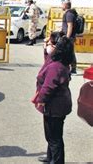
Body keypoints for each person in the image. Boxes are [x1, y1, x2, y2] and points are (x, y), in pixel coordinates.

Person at [33, 32, 74, 164]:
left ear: (58, 48)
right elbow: (48, 60)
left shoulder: (56, 67)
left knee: (54, 138)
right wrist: (46, 49)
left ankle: (56, 161)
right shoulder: (62, 61)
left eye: (51, 44)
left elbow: (48, 87)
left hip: (54, 107)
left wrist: (41, 100)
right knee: (53, 137)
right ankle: (50, 157)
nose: (49, 46)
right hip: (60, 105)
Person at [61, 0, 77, 74]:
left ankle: (73, 69)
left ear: (66, 5)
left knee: (70, 52)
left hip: (69, 37)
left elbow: (70, 26)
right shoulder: (68, 13)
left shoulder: (69, 14)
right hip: (68, 36)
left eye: (62, 4)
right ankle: (70, 68)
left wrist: (67, 37)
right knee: (68, 52)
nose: (61, 5)